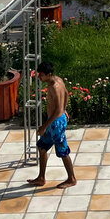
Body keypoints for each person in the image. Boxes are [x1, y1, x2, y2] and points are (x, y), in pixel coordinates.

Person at [28, 61, 77, 189]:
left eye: (41, 75)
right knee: (42, 147)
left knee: (62, 151)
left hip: (56, 124)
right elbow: (66, 93)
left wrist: (44, 126)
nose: (39, 77)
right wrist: (64, 108)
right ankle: (41, 178)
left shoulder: (54, 87)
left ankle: (72, 179)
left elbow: (57, 111)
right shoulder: (58, 79)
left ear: (49, 74)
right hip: (54, 122)